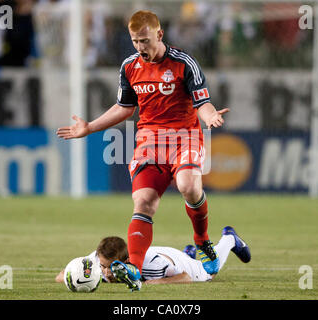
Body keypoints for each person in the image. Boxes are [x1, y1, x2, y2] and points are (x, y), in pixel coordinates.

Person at [56, 10, 244, 291]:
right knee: (143, 201)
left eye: (144, 40)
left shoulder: (184, 63)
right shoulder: (129, 66)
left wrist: (209, 117)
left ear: (159, 34)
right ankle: (133, 267)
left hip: (184, 136)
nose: (140, 47)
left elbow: (201, 101)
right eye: (135, 41)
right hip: (150, 141)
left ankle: (202, 241)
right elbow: (125, 108)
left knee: (188, 186)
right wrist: (90, 127)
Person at [55, 226, 250, 289]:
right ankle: (189, 252)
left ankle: (229, 239)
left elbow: (185, 277)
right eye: (103, 266)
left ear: (125, 262)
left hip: (173, 262)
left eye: (109, 267)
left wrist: (158, 282)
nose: (106, 272)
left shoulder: (151, 266)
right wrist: (74, 280)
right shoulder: (97, 260)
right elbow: (62, 274)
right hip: (161, 254)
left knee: (210, 272)